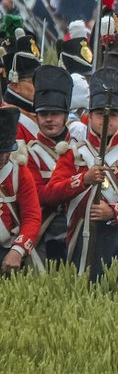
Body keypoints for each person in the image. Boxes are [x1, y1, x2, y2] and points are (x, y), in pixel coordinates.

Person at [43, 68, 118, 271]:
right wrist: (83, 180)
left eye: (113, 115)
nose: (107, 120)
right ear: (89, 116)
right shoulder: (73, 155)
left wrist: (113, 211)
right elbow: (51, 194)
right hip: (80, 237)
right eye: (100, 114)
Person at [26, 66, 74, 261]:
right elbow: (39, 195)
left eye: (55, 113)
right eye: (44, 113)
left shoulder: (80, 150)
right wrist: (79, 182)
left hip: (76, 226)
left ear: (65, 115)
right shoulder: (29, 153)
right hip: (44, 231)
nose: (49, 119)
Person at [0, 106, 42, 273]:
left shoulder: (19, 171)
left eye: (6, 152)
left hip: (7, 250)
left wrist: (18, 250)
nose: (3, 158)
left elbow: (32, 216)